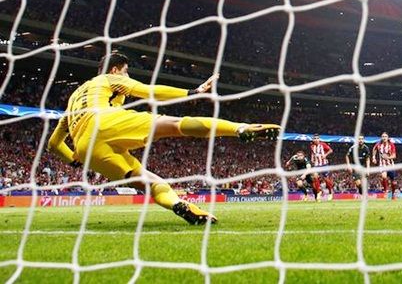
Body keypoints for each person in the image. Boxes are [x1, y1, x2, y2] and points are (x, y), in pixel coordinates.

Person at [47, 53, 280, 224]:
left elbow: (53, 145)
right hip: (105, 121)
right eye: (126, 71)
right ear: (116, 69)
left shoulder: (72, 101)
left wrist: (74, 161)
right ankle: (241, 128)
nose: (127, 75)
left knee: (151, 183)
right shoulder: (108, 79)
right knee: (177, 124)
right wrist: (193, 92)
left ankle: (180, 206)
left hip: (88, 150)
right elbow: (150, 91)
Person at [309, 134, 334, 201]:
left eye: (317, 138)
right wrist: (312, 159)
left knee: (326, 179)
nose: (316, 140)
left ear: (319, 139)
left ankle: (330, 192)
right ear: (313, 140)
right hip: (316, 164)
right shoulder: (312, 146)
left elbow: (331, 150)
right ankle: (319, 192)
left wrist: (325, 155)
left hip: (324, 164)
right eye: (315, 138)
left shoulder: (323, 144)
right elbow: (312, 153)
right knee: (315, 176)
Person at [372, 132, 397, 200]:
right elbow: (374, 149)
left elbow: (394, 156)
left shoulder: (391, 145)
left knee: (394, 182)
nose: (384, 138)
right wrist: (373, 157)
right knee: (383, 176)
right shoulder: (379, 144)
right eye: (383, 136)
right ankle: (385, 191)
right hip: (382, 165)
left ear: (388, 137)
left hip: (391, 165)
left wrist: (387, 158)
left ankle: (393, 194)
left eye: (385, 136)